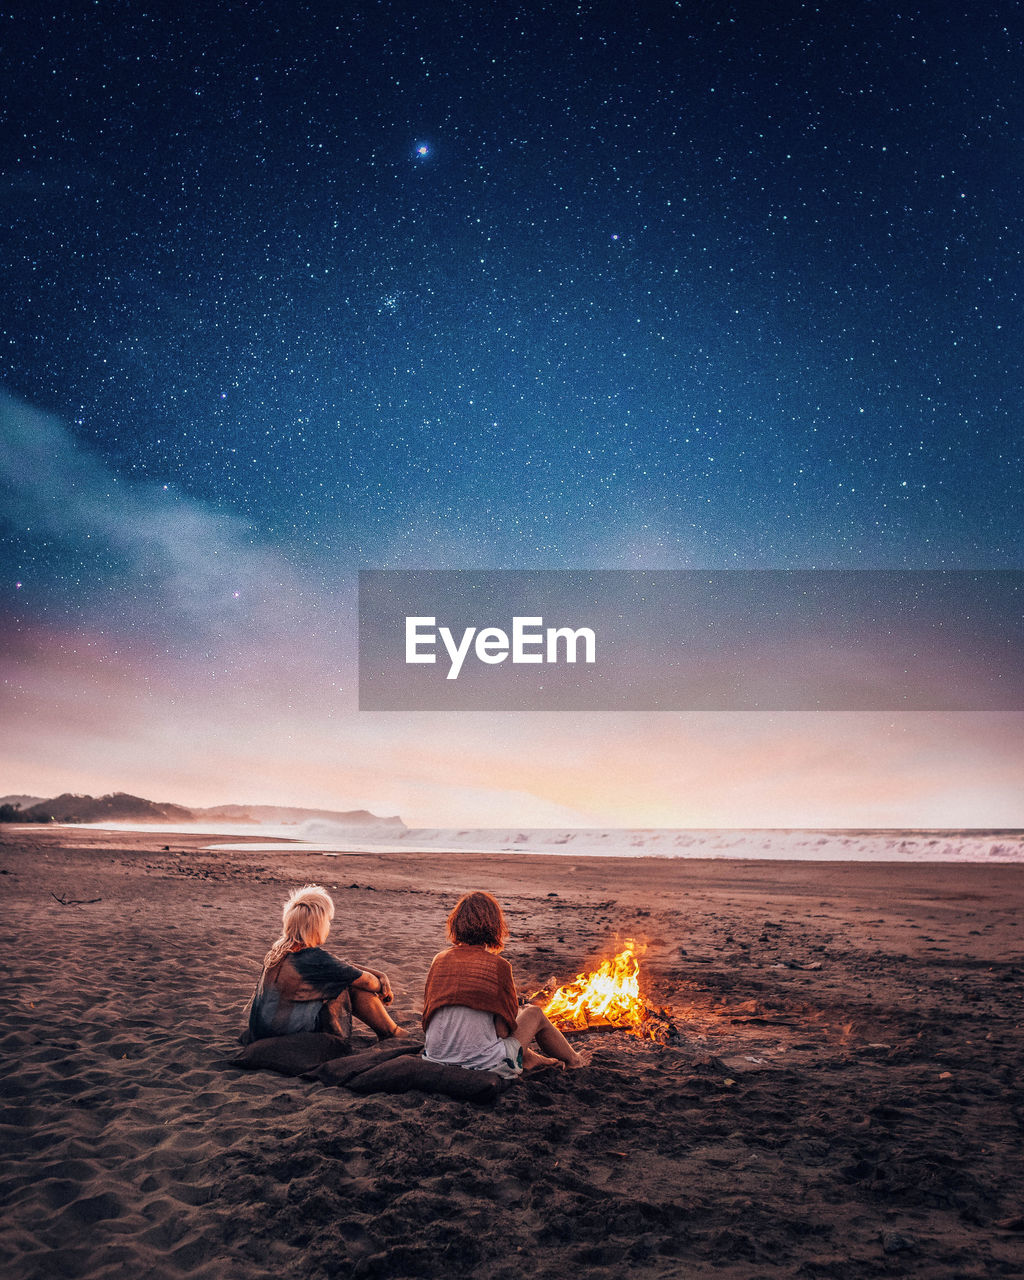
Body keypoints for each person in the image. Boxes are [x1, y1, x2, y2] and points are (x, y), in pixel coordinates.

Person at [422, 890, 584, 1076]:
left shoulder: (439, 959)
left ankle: (543, 1061)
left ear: (455, 924)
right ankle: (575, 1060)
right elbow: (502, 1032)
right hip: (482, 1064)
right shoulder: (498, 966)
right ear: (495, 926)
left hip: (435, 1055)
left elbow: (429, 1014)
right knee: (534, 1013)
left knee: (493, 1037)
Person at [247, 884, 405, 1042]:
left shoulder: (279, 951)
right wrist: (382, 986)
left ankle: (391, 1031)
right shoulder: (312, 959)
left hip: (262, 1031)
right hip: (286, 1035)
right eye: (328, 921)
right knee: (350, 985)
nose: (329, 926)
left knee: (342, 978)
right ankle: (391, 1031)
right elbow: (368, 983)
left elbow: (339, 966)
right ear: (318, 924)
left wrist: (381, 975)